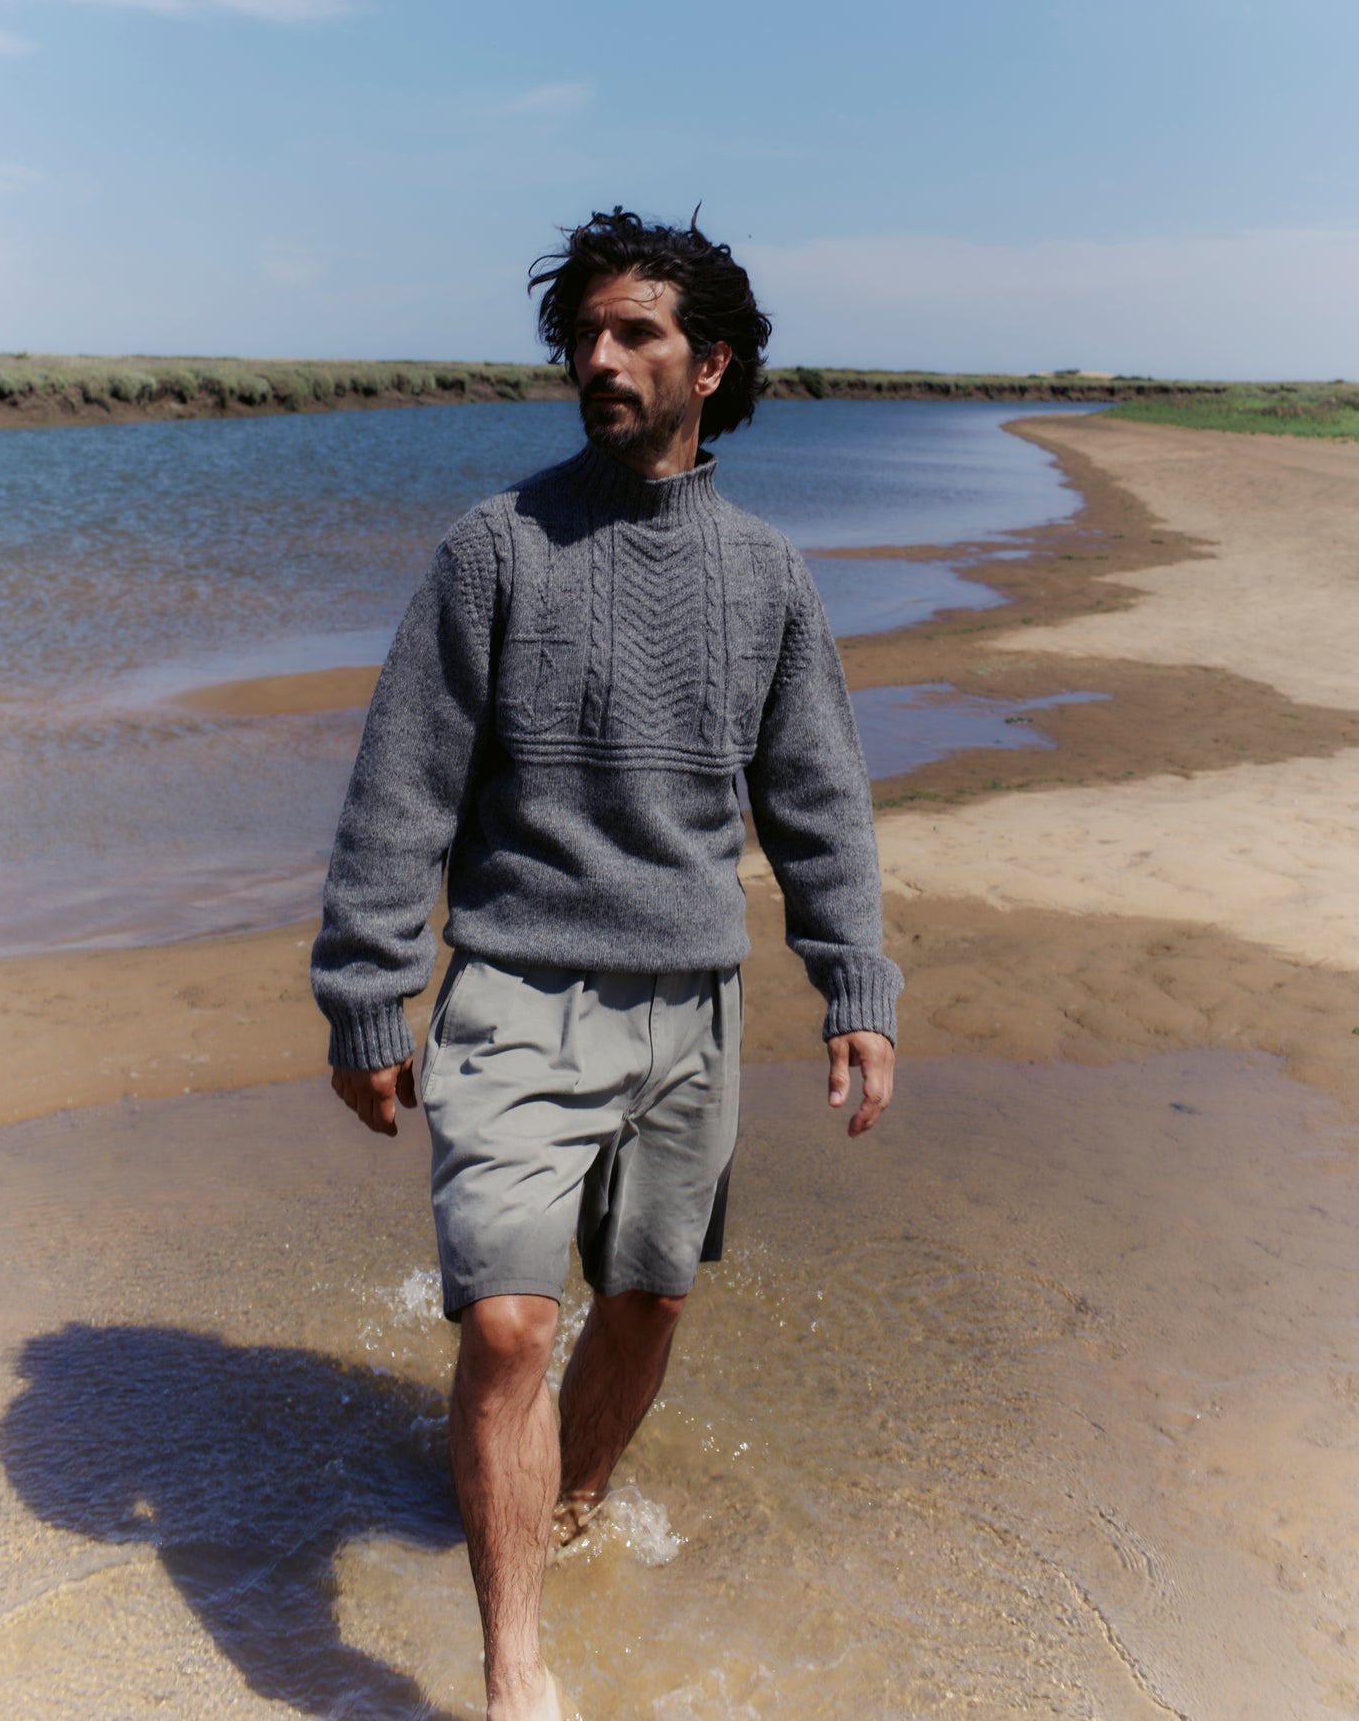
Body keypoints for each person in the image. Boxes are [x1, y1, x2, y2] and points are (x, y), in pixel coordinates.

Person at [312, 207, 901, 1721]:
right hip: (514, 985)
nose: (599, 358)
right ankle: (517, 1671)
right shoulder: (493, 548)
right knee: (509, 1321)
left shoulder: (766, 579)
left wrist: (854, 990)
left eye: (635, 333)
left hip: (690, 1002)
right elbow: (402, 785)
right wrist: (368, 988)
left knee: (644, 1304)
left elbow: (816, 800)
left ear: (710, 364)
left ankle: (558, 1518)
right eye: (584, 333)